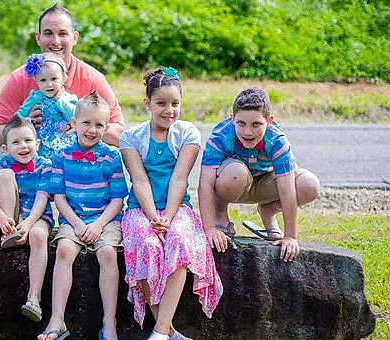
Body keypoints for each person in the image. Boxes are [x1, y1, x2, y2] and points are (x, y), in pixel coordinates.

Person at [120, 67, 223, 340]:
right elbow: (139, 181)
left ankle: (160, 331)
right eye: (161, 103)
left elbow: (180, 180)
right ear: (147, 103)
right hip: (140, 209)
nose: (169, 110)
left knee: (179, 241)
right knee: (147, 244)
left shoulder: (187, 134)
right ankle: (166, 330)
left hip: (178, 209)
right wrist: (154, 217)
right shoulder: (131, 138)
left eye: (175, 104)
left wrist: (167, 218)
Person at [39, 92, 128, 340]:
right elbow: (59, 198)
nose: (92, 130)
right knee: (65, 250)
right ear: (74, 123)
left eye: (99, 125)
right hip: (73, 218)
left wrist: (99, 225)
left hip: (106, 219)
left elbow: (117, 200)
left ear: (106, 127)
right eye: (86, 123)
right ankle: (57, 320)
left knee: (108, 253)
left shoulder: (111, 156)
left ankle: (109, 323)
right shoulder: (61, 156)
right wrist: (78, 225)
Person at [199, 87, 320, 262]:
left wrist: (290, 236)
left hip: (266, 183)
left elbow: (287, 190)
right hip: (233, 182)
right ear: (232, 119)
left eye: (256, 124)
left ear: (269, 121)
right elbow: (205, 184)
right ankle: (220, 213)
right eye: (241, 123)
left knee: (310, 185)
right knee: (235, 173)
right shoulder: (220, 137)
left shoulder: (277, 141)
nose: (248, 132)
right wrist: (209, 228)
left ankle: (268, 210)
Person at [0, 3, 125, 148]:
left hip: (78, 162)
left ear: (74, 37)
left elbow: (120, 135)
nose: (55, 41)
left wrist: (84, 128)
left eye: (63, 34)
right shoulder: (20, 78)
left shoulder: (92, 79)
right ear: (38, 38)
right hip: (34, 163)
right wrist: (22, 126)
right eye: (48, 33)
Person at [0, 115, 53, 323]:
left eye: (28, 141)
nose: (23, 147)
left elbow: (42, 198)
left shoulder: (44, 165)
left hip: (36, 216)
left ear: (37, 143)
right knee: (4, 175)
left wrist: (29, 223)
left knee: (39, 236)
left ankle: (34, 297)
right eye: (16, 142)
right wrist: (3, 218)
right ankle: (8, 234)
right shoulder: (0, 163)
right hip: (10, 216)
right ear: (5, 148)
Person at [15, 52, 78, 159]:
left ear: (64, 78)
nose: (49, 84)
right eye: (43, 80)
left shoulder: (69, 99)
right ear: (36, 80)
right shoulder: (35, 98)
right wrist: (27, 120)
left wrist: (60, 101)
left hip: (66, 144)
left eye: (54, 79)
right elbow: (17, 118)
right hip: (42, 145)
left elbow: (76, 115)